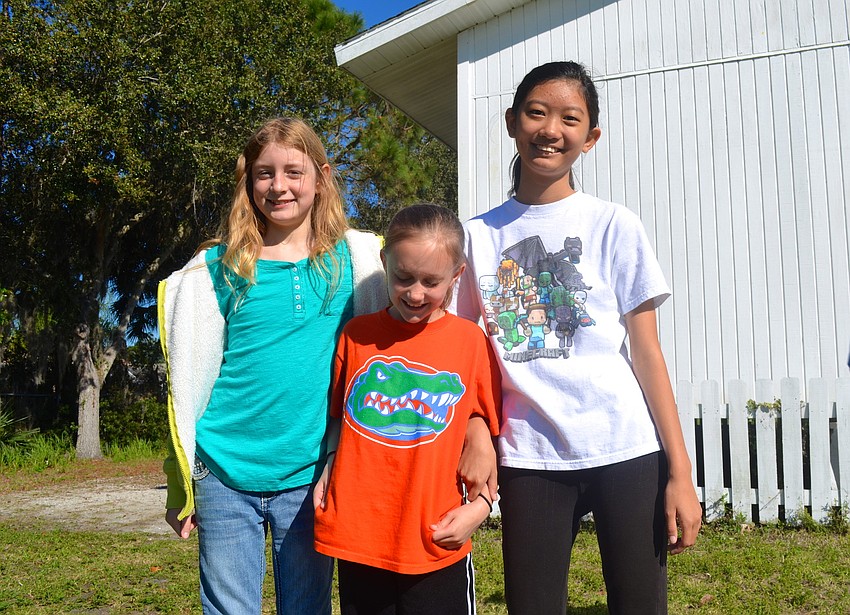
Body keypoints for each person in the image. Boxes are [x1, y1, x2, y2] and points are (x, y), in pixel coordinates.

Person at [453, 61, 703, 614]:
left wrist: (680, 473)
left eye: (571, 118)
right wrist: (476, 426)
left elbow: (646, 352)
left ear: (590, 138)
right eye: (536, 113)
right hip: (528, 455)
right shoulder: (476, 237)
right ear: (512, 122)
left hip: (625, 447)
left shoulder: (614, 224)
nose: (551, 130)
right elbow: (464, 350)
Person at [157, 116, 387, 614]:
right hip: (222, 472)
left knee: (306, 608)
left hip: (311, 474)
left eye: (292, 171)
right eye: (264, 173)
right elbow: (187, 384)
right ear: (248, 181)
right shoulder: (215, 268)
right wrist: (182, 482)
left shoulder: (359, 261)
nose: (278, 186)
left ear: (321, 177)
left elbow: (387, 360)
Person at [313, 203, 501, 615]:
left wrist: (481, 509)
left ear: (457, 276)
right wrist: (329, 459)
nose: (415, 293)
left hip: (435, 538)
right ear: (385, 263)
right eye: (403, 278)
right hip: (360, 537)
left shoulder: (470, 342)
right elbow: (338, 421)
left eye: (431, 282)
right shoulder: (356, 335)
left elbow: (486, 433)